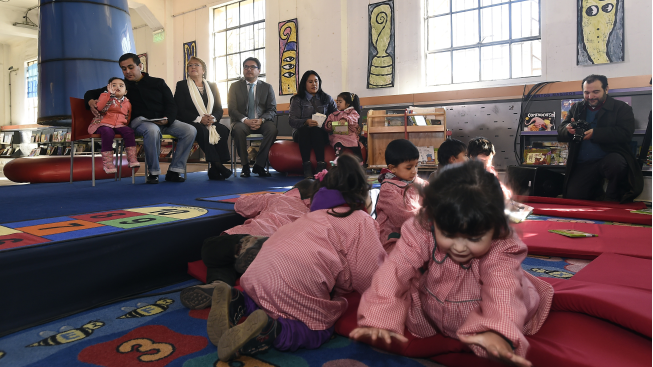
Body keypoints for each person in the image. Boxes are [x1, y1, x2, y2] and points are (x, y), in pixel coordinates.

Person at [350, 160, 554, 367]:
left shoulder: (500, 244)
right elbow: (395, 269)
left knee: (511, 294)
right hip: (436, 298)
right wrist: (379, 314)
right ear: (434, 219)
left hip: (481, 300)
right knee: (407, 291)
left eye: (473, 238)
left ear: (495, 228)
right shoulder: (423, 226)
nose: (459, 247)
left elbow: (503, 288)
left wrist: (497, 331)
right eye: (448, 235)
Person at [209, 154, 387, 361]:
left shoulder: (311, 216)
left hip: (256, 275)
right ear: (363, 195)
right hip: (292, 284)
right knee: (317, 329)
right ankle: (270, 330)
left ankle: (238, 300)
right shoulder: (360, 221)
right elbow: (369, 274)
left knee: (265, 297)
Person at [178, 179, 319, 310]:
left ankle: (246, 249)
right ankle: (219, 286)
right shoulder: (315, 212)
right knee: (226, 261)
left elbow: (242, 205)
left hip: (255, 235)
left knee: (211, 248)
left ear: (293, 190)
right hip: (279, 254)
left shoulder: (278, 198)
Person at [84, 53, 197, 184]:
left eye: (130, 67)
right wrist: (90, 101)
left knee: (190, 130)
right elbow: (90, 93)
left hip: (164, 120)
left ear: (140, 66)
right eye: (123, 68)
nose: (127, 71)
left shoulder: (158, 82)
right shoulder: (121, 86)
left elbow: (171, 104)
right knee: (152, 130)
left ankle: (175, 170)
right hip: (141, 122)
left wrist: (168, 119)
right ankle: (153, 172)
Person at [557, 74, 643, 202]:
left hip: (610, 160)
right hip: (583, 162)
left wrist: (596, 134)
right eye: (586, 92)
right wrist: (568, 130)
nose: (590, 97)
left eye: (595, 92)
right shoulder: (577, 107)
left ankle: (613, 196)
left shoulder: (622, 108)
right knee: (573, 197)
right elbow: (561, 130)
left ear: (606, 89)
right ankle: (597, 193)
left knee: (616, 164)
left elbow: (625, 133)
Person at [175, 56, 232, 180]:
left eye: (196, 65)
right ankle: (218, 164)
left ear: (203, 70)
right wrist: (199, 119)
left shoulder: (212, 86)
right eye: (190, 65)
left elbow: (218, 109)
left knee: (223, 129)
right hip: (191, 122)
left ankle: (214, 169)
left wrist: (213, 118)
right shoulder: (182, 85)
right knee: (201, 130)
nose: (193, 67)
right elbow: (180, 109)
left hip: (210, 121)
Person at [227, 57, 278, 178]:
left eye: (252, 67)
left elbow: (272, 109)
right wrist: (245, 120)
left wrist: (261, 120)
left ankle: (259, 165)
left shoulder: (267, 87)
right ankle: (245, 166)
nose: (249, 69)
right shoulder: (234, 86)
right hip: (242, 122)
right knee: (238, 130)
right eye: (246, 67)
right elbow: (232, 109)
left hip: (261, 121)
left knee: (272, 129)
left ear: (259, 70)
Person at [375, 139, 426, 253]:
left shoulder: (419, 182)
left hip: (416, 235)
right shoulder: (387, 189)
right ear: (393, 168)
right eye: (409, 168)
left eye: (415, 166)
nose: (414, 171)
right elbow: (404, 216)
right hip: (392, 243)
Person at [289, 70, 338, 178]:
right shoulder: (297, 100)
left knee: (316, 130)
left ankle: (321, 165)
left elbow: (336, 116)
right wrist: (306, 121)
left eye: (316, 81)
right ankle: (306, 166)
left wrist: (328, 124)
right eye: (310, 82)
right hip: (301, 133)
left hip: (321, 133)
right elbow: (292, 120)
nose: (314, 84)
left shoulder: (327, 98)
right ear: (304, 84)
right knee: (305, 130)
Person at [87, 77, 139, 173]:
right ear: (108, 88)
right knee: (108, 132)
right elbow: (99, 108)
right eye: (113, 85)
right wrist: (108, 95)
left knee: (129, 131)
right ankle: (108, 163)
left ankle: (132, 159)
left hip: (119, 125)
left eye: (121, 85)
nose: (117, 87)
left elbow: (128, 116)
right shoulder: (104, 96)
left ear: (126, 91)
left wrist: (124, 124)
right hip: (102, 124)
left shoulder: (127, 103)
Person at [324, 92, 363, 161]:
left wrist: (345, 119)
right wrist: (328, 124)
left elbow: (354, 118)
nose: (338, 103)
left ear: (347, 104)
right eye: (337, 101)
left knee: (355, 145)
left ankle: (359, 162)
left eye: (340, 102)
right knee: (337, 143)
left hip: (350, 135)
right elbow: (328, 124)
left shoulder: (352, 112)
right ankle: (338, 159)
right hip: (337, 136)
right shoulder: (334, 114)